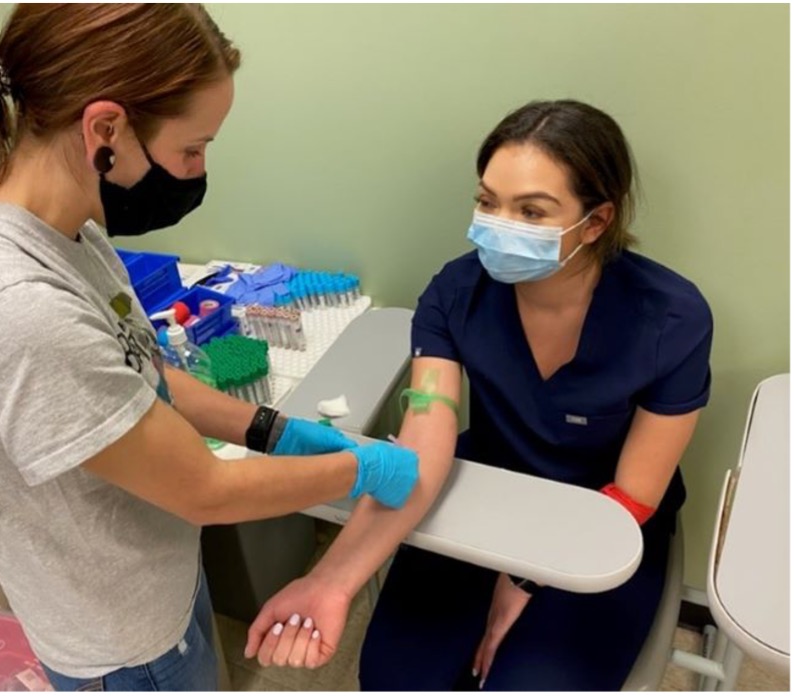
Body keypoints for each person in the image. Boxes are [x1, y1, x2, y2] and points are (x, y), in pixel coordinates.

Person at [0, 4, 419, 692]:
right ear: (105, 129)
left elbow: (146, 370)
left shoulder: (64, 228)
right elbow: (205, 491)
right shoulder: (11, 308)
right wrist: (362, 470)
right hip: (122, 639)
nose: (198, 170)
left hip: (149, 566)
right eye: (192, 149)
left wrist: (273, 429)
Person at [245, 100, 713, 691]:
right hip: (483, 489)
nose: (497, 224)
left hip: (604, 519)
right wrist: (331, 580)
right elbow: (423, 442)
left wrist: (521, 579)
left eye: (531, 211)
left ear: (595, 222)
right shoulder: (454, 294)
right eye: (488, 202)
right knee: (396, 681)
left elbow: (637, 490)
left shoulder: (672, 317)